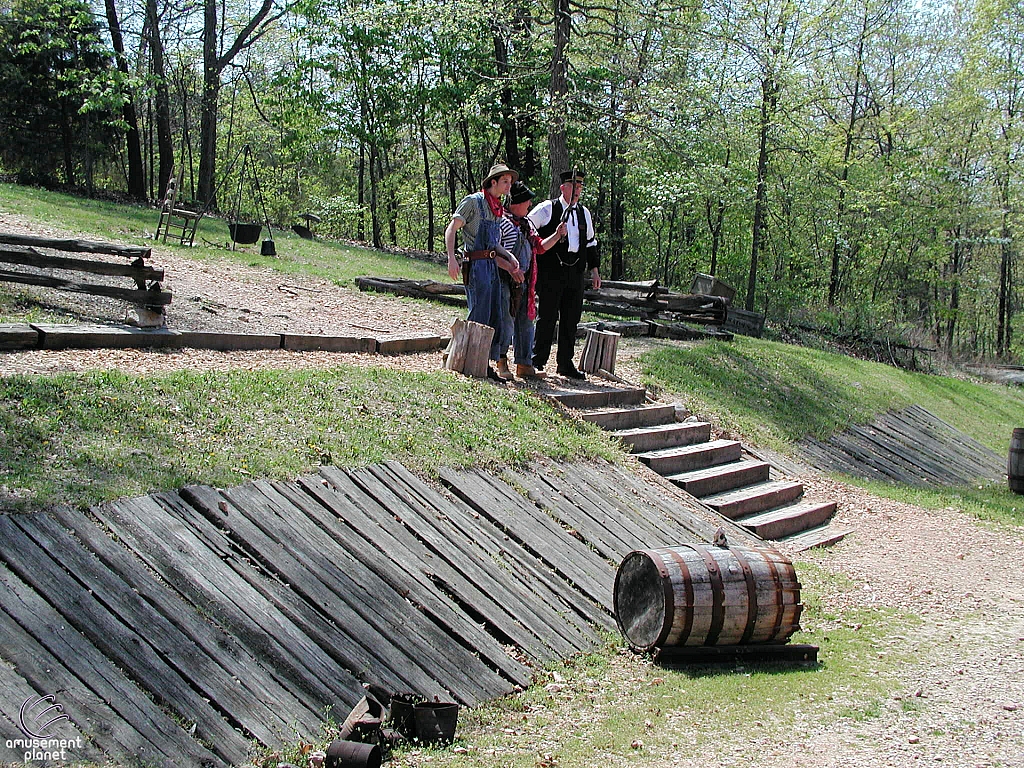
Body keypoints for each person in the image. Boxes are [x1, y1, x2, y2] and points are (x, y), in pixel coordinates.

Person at [445, 163, 524, 380]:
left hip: (491, 266)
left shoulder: (496, 207)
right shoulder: (474, 202)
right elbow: (451, 229)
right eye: (505, 181)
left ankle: (483, 361)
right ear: (493, 182)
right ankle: (461, 357)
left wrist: (509, 256)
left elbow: (494, 244)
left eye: (510, 181)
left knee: (493, 315)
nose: (509, 186)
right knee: (478, 313)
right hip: (476, 264)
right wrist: (452, 258)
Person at [527, 168, 601, 379]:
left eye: (580, 187)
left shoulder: (584, 213)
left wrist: (594, 270)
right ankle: (537, 360)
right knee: (547, 316)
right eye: (574, 186)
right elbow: (528, 227)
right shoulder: (548, 208)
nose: (578, 190)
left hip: (575, 272)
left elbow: (591, 243)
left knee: (571, 319)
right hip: (552, 271)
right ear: (563, 187)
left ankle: (565, 363)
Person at [498, 181, 566, 378]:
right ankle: (501, 361)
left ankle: (524, 363)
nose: (529, 204)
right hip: (505, 279)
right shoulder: (502, 221)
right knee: (506, 321)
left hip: (525, 281)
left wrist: (556, 234)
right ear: (516, 203)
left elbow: (540, 247)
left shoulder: (526, 224)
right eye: (526, 201)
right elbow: (495, 251)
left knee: (526, 322)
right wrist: (511, 269)